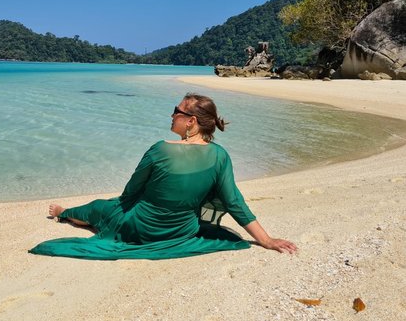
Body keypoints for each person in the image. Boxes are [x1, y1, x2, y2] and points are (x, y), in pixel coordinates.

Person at [29, 93, 297, 260]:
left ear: (190, 121)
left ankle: (64, 212)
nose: (172, 115)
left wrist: (130, 206)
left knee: (103, 208)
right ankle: (74, 214)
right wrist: (266, 240)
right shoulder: (220, 156)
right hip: (182, 230)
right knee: (111, 209)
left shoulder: (160, 149)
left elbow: (130, 192)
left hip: (144, 228)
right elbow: (234, 203)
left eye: (177, 111)